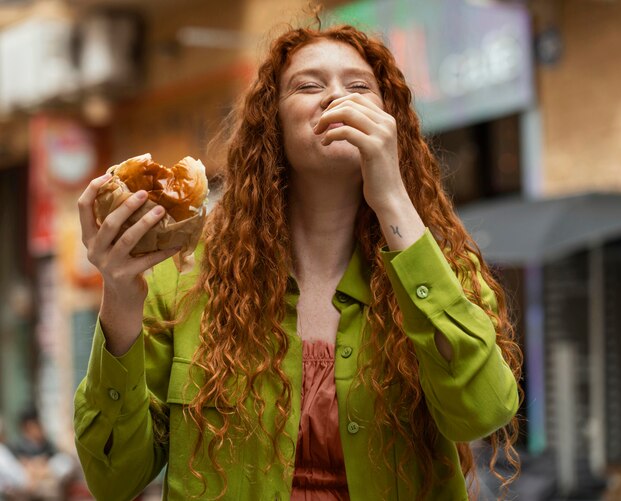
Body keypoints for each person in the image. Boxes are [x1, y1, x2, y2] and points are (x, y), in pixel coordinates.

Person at [74, 19, 522, 501]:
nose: (336, 97)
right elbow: (115, 478)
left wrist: (392, 196)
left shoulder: (438, 268)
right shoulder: (184, 275)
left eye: (359, 86)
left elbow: (482, 411)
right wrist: (120, 295)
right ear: (273, 125)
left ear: (390, 124)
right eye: (308, 86)